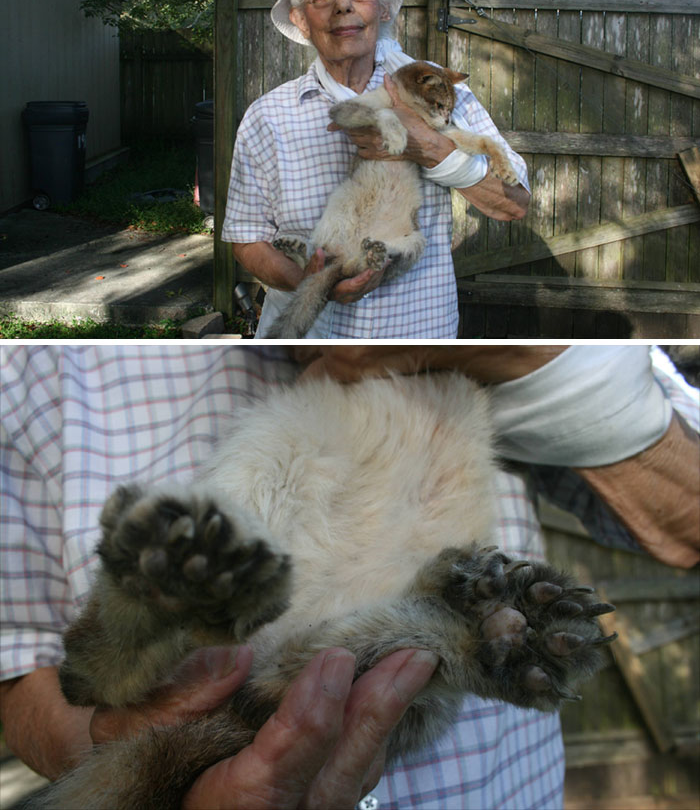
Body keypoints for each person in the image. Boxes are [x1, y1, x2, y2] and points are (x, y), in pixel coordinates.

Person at [1, 344, 698, 810]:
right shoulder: (29, 370)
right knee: (261, 481)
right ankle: (137, 629)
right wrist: (108, 746)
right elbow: (13, 664)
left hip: (414, 474)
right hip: (341, 451)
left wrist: (531, 358)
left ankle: (432, 632)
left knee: (419, 632)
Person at [221, 0, 531, 338]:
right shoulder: (267, 116)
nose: (342, 5)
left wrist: (431, 148)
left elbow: (514, 204)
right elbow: (246, 240)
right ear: (300, 20)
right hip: (314, 346)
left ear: (383, 7)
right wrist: (312, 284)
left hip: (416, 342)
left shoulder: (441, 90)